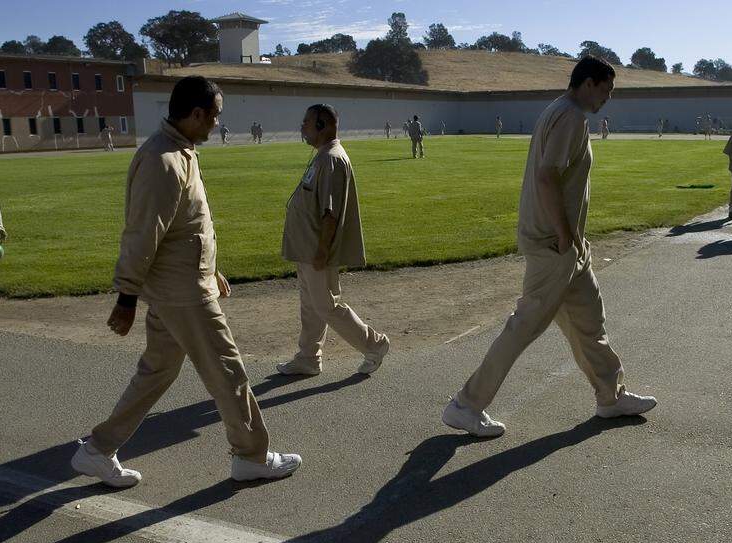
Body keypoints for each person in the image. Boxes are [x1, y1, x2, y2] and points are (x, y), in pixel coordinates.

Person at [70, 76, 301, 488]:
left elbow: (185, 226)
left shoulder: (181, 152)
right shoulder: (162, 161)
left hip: (184, 286)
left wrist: (211, 272)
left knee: (156, 372)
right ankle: (251, 456)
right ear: (196, 114)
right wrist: (126, 297)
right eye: (214, 116)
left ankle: (97, 450)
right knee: (227, 373)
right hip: (183, 295)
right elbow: (142, 234)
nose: (216, 123)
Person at [441, 57, 657, 438]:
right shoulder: (570, 116)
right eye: (606, 89)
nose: (608, 97)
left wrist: (571, 238)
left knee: (590, 322)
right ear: (588, 83)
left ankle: (610, 396)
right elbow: (547, 176)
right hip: (554, 243)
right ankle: (466, 405)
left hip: (568, 243)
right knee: (524, 326)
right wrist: (563, 234)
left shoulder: (561, 112)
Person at [277, 104, 390, 377]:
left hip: (317, 249)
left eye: (306, 123)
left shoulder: (331, 159)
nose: (302, 127)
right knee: (311, 305)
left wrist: (322, 250)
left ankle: (374, 345)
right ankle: (308, 357)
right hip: (307, 248)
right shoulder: (322, 156)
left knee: (327, 305)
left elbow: (330, 213)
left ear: (322, 125)